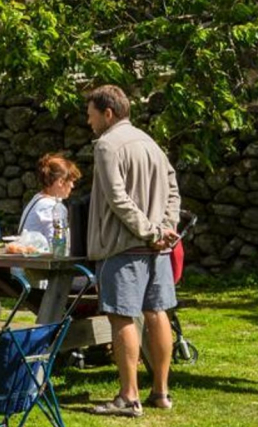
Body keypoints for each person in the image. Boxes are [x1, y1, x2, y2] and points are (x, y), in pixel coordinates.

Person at [85, 85, 181, 418]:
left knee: (122, 316)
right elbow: (173, 191)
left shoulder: (108, 145)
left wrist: (152, 232)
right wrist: (165, 230)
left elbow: (117, 199)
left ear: (107, 113)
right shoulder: (151, 143)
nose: (89, 121)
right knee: (158, 313)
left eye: (91, 114)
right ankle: (161, 392)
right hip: (156, 248)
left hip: (125, 247)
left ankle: (128, 396)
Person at [20, 153, 81, 240]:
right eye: (71, 181)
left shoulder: (38, 199)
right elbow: (57, 243)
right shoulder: (49, 207)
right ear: (60, 182)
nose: (72, 186)